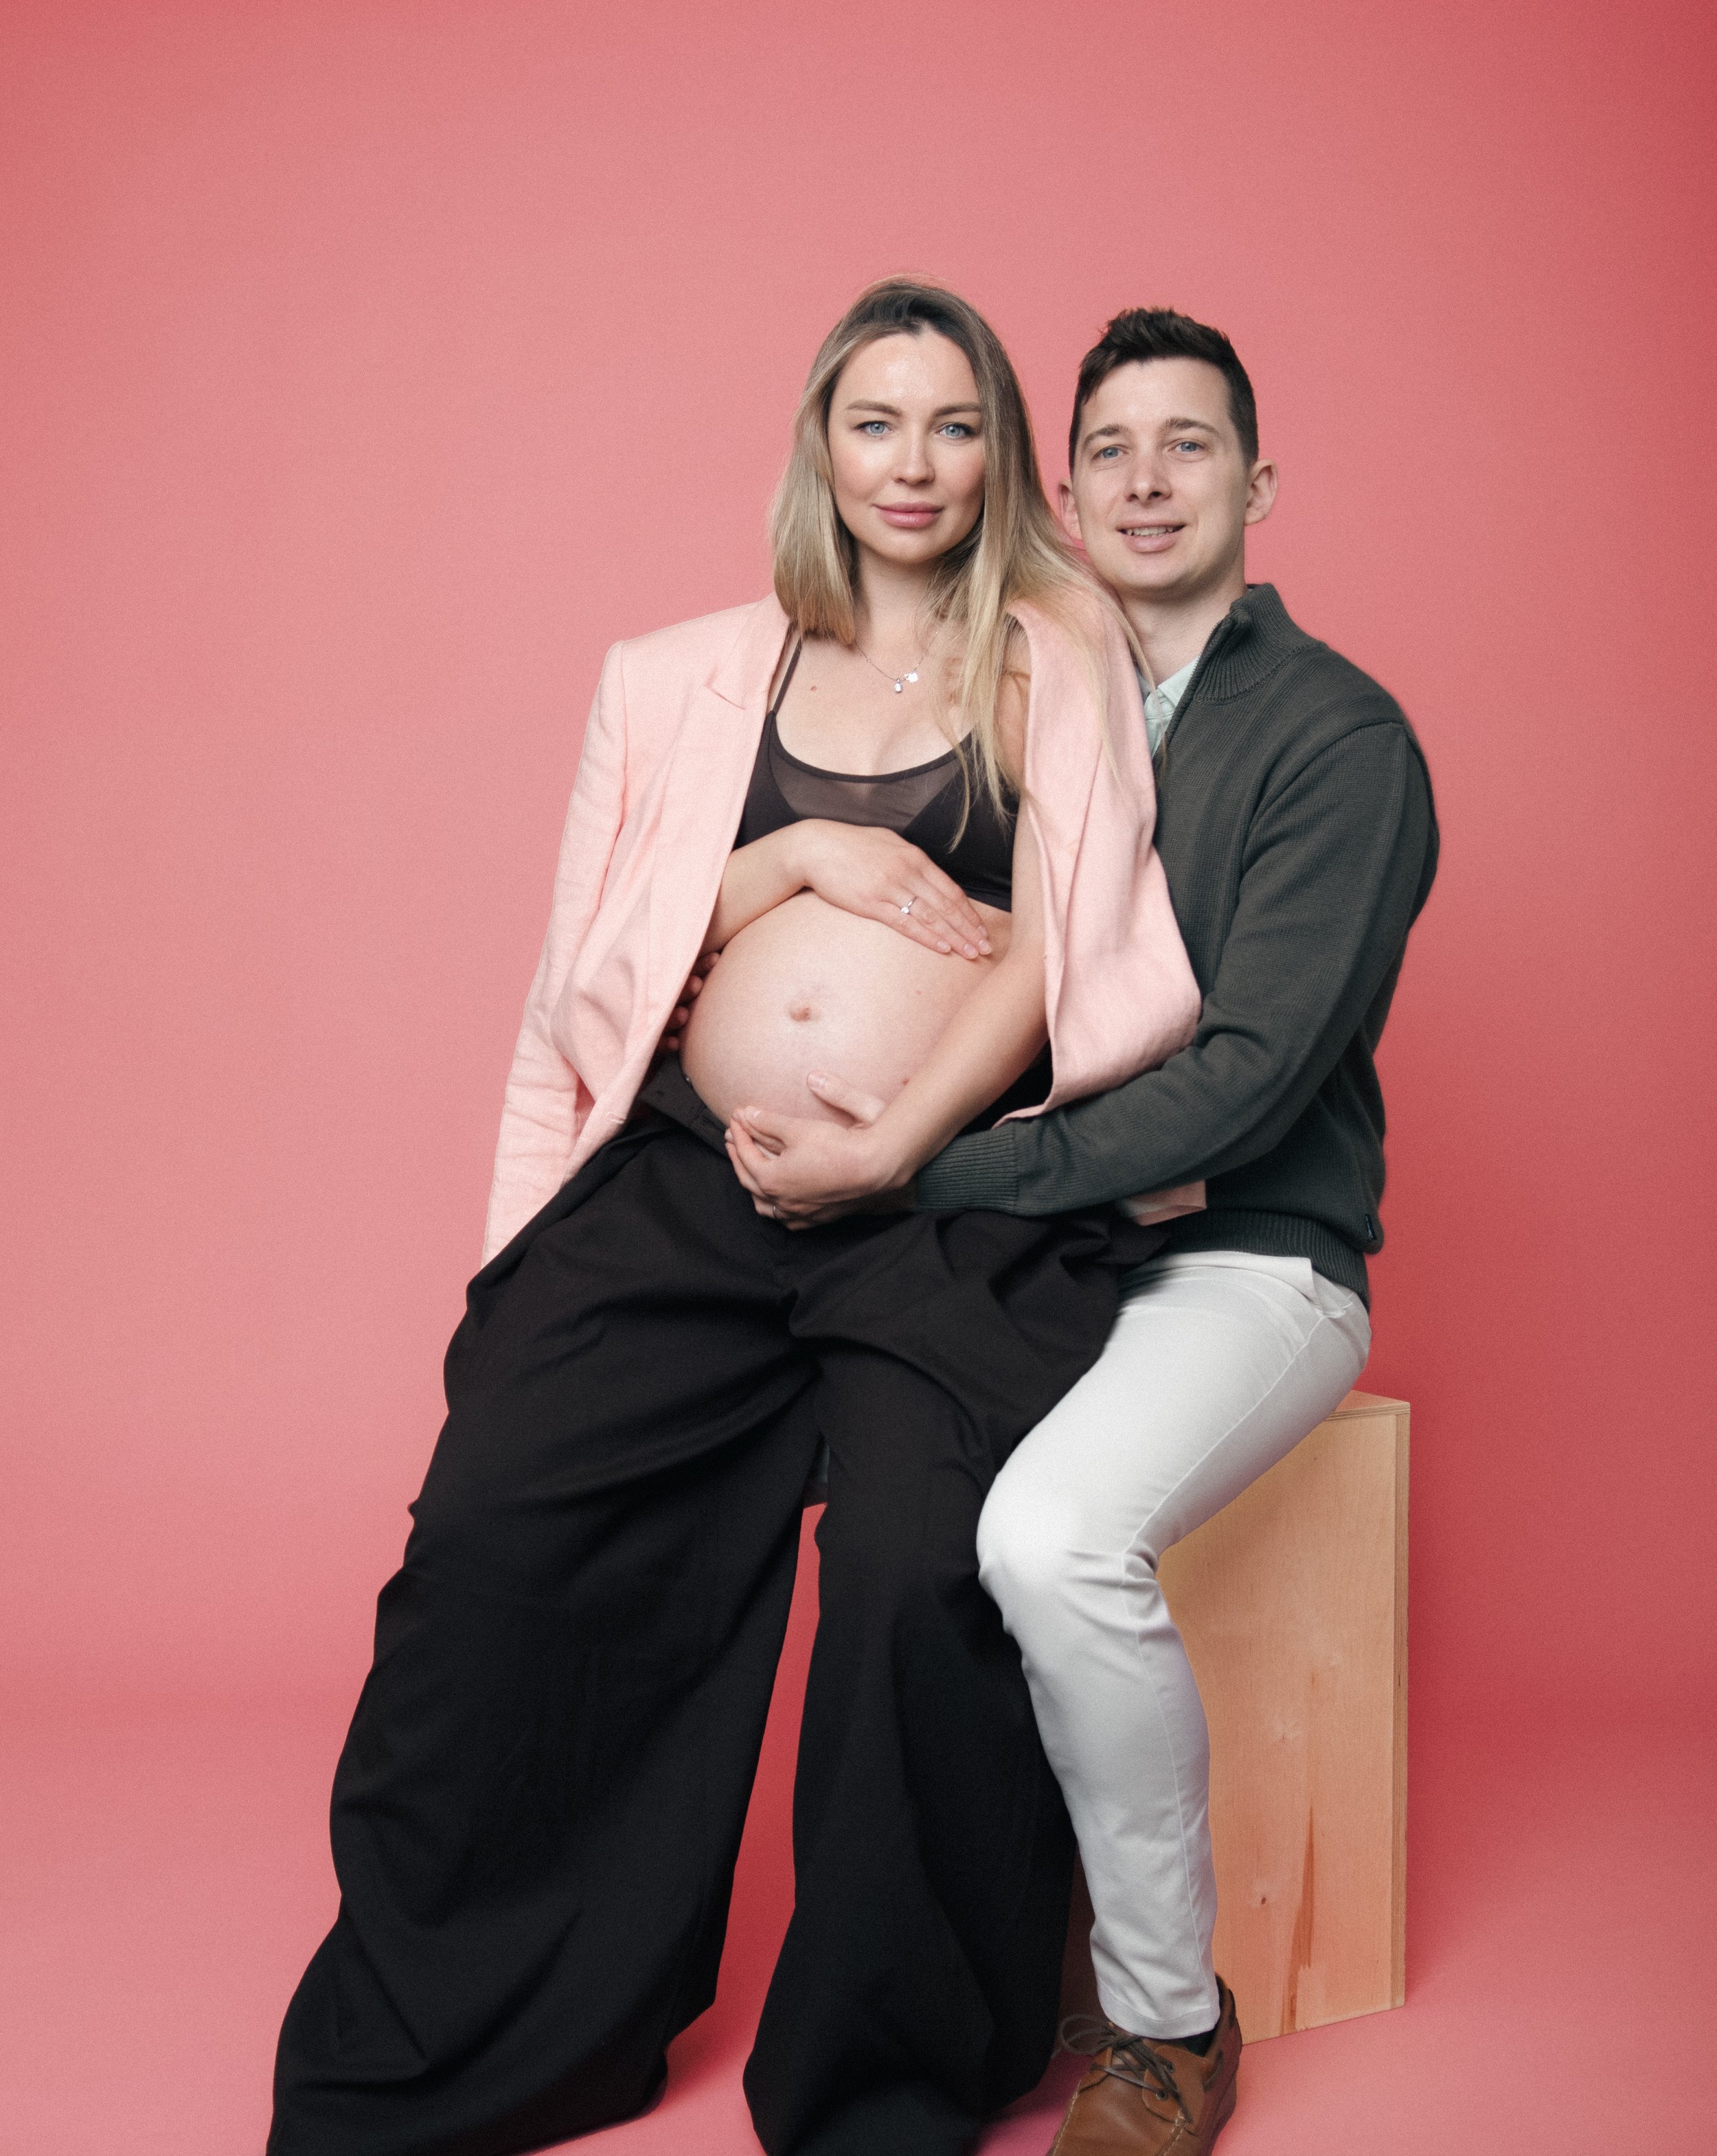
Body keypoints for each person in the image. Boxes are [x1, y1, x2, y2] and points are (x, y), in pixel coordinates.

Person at [268, 280, 1203, 2156]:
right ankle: (492, 2029)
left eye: (955, 425)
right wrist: (780, 858)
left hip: (943, 1205)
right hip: (688, 1189)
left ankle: (887, 2075)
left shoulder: (1053, 650)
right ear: (819, 446)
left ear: (998, 453)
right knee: (493, 1531)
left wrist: (888, 1149)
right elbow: (576, 987)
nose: (914, 463)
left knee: (916, 1580)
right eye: (877, 422)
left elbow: (1057, 951)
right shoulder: (674, 676)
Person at [727, 308, 1439, 2156]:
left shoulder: (1335, 738)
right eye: (1108, 449)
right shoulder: (1017, 687)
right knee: (864, 1501)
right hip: (1025, 1244)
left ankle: (1161, 2017)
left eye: (1185, 447)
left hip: (1238, 1253)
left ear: (1256, 483)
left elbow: (1248, 1082)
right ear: (1061, 488)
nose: (1140, 481)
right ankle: (935, 1977)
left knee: (1046, 1538)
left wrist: (912, 1174)